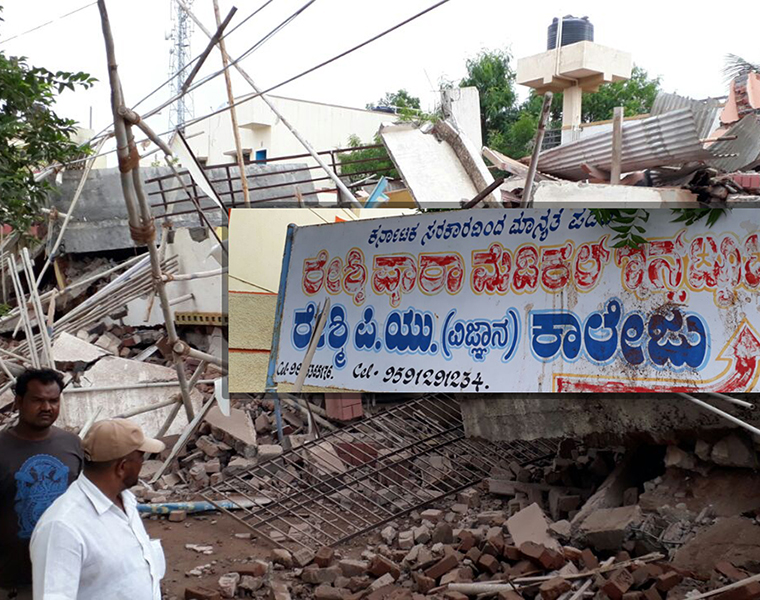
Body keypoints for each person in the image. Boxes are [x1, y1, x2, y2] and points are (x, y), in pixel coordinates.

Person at [30, 418, 167, 600]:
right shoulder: (61, 527)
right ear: (122, 467)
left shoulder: (125, 500)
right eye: (141, 456)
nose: (143, 462)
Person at [0, 369, 82, 600]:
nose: (47, 408)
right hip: (15, 581)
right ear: (19, 402)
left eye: (53, 400)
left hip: (66, 574)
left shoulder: (72, 445)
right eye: (37, 400)